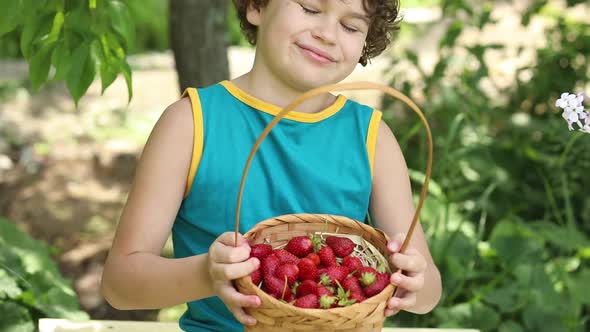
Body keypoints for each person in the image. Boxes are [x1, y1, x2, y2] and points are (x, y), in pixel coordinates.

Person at [100, 0, 442, 331]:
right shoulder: (190, 124)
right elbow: (121, 284)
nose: (327, 34)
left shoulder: (372, 138)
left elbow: (429, 293)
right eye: (310, 9)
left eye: (350, 26)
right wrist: (208, 273)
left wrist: (411, 282)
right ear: (256, 6)